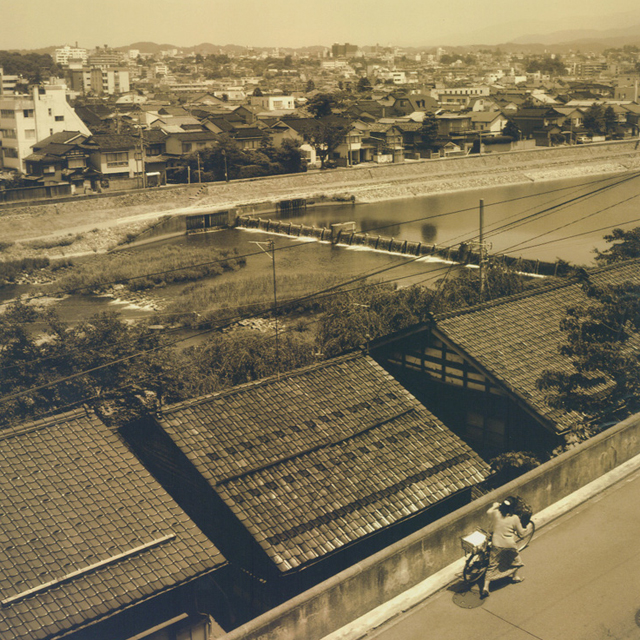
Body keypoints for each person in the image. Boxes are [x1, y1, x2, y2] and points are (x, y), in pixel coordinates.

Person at [481, 496, 533, 598]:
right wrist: (525, 528)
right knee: (515, 560)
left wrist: (495, 506)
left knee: (492, 565)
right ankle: (515, 577)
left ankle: (485, 587)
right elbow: (521, 534)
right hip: (509, 545)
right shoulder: (514, 518)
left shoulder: (496, 513)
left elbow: (488, 511)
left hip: (496, 544)